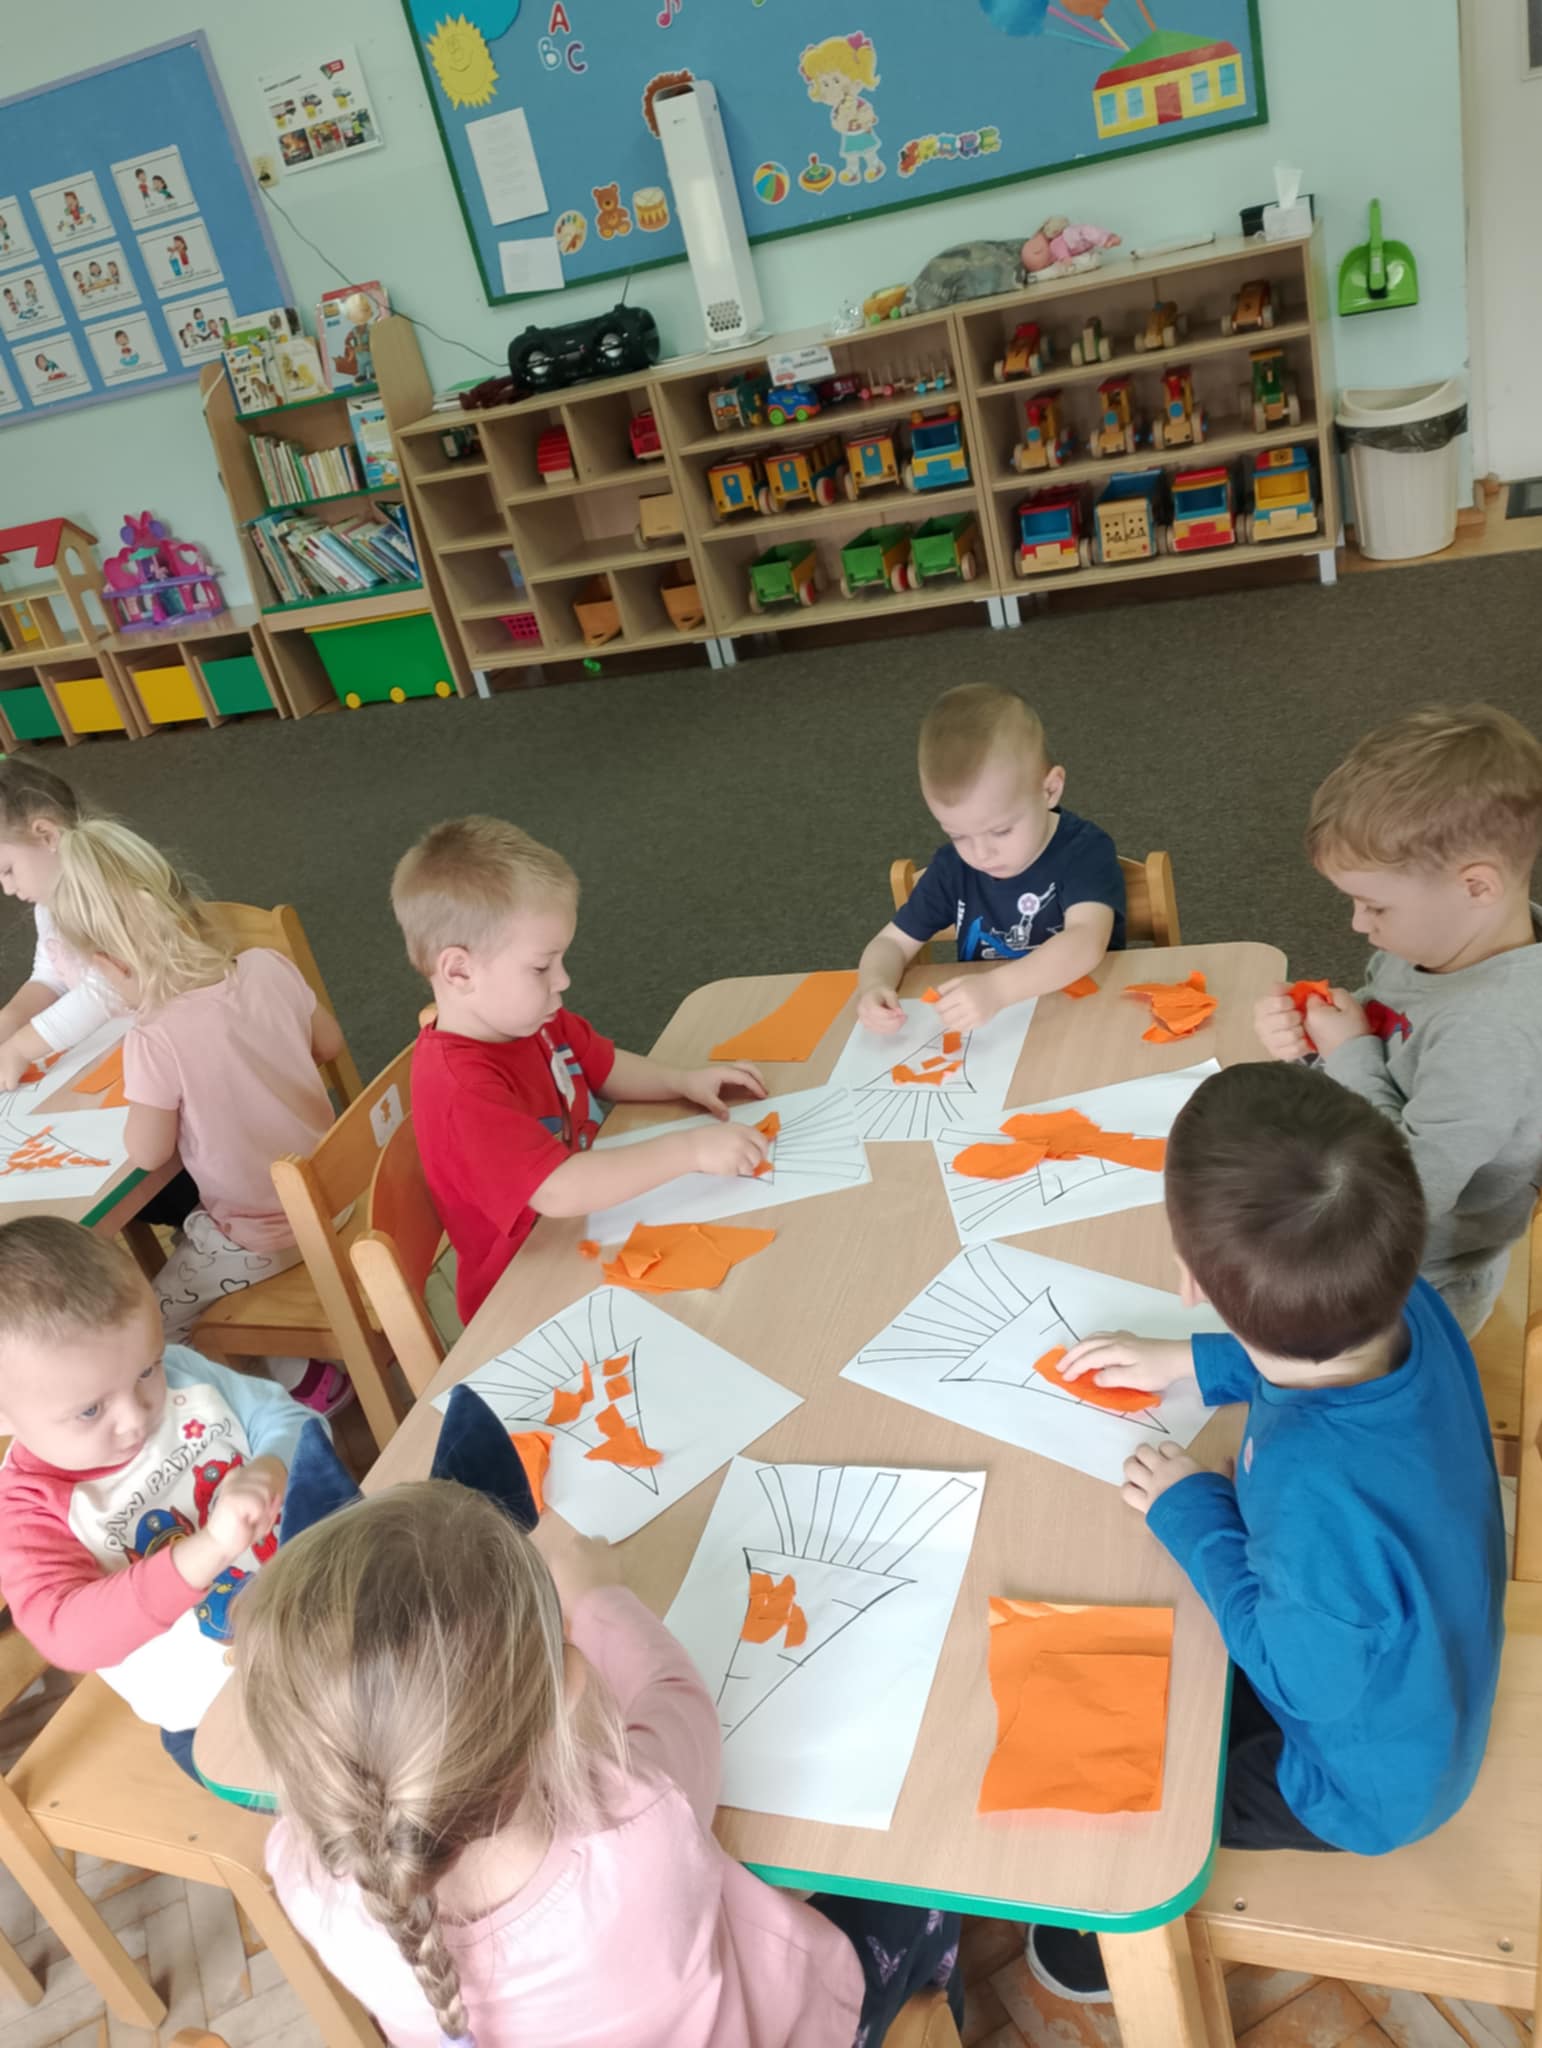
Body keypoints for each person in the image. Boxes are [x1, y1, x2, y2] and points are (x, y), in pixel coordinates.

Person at [1029, 1062, 1505, 2003]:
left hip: (1363, 1783)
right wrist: (1191, 1361)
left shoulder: (1315, 1496)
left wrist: (1190, 1510)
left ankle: (1108, 1927)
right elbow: (1310, 1350)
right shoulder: (1402, 1302)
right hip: (1409, 1662)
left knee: (1151, 1781)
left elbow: (1297, 1679)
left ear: (1190, 1279)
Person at [237, 1467, 963, 2046]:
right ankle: (950, 2010)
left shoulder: (300, 1875)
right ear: (570, 1681)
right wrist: (599, 1594)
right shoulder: (636, 1825)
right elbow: (678, 1700)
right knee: (923, 1886)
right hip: (773, 2030)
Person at [392, 817, 769, 1328]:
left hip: (587, 1227)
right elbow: (557, 1189)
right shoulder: (460, 1089)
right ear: (460, 971)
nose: (563, 980)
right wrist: (691, 1151)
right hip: (526, 1295)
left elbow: (603, 1065)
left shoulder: (528, 1019)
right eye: (541, 967)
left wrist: (680, 1081)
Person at [1254, 703, 1542, 1335]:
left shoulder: (1492, 1033)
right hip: (1355, 1181)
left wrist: (1348, 1054)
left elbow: (1406, 1194)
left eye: (1375, 906)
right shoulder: (1443, 944)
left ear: (1477, 887)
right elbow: (1393, 1025)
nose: (1359, 925)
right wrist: (1317, 1040)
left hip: (1417, 1277)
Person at [50, 819, 351, 1413]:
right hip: (339, 1195)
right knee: (194, 1249)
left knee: (150, 1330)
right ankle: (299, 1369)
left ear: (110, 964)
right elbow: (329, 1043)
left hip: (262, 1236)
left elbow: (147, 1152)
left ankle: (291, 1391)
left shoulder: (155, 1039)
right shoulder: (267, 965)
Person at [0, 1218, 314, 1776]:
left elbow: (288, 1419)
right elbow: (69, 1635)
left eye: (147, 1369)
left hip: (322, 1614)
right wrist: (209, 1550)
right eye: (90, 1410)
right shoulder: (29, 1509)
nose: (137, 1415)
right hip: (224, 1709)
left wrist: (272, 1463)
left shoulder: (183, 1374)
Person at [857, 684, 1124, 1037]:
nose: (980, 854)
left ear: (1049, 790)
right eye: (958, 835)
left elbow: (1086, 941)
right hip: (996, 1033)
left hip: (1083, 1020)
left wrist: (997, 989)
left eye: (1000, 831)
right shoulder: (952, 868)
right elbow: (891, 943)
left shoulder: (1084, 850)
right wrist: (874, 985)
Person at [0, 759, 119, 1090]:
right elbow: (52, 976)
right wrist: (10, 1019)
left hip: (167, 1036)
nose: (6, 889)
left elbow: (110, 989)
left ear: (46, 835)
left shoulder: (110, 893)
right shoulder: (48, 905)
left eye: (7, 870)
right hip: (111, 1040)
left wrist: (22, 1046)